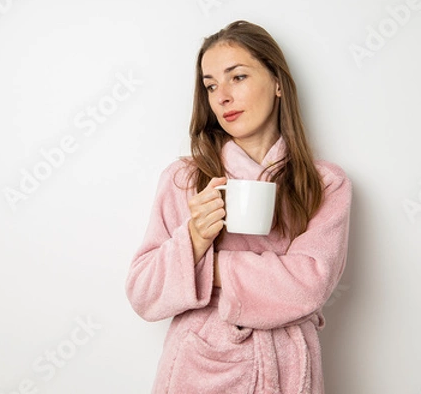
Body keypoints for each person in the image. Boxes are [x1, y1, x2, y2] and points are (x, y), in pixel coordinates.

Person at [125, 20, 352, 394]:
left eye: (238, 77)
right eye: (211, 85)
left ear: (278, 82)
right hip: (199, 370)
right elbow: (144, 295)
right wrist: (194, 238)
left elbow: (309, 285)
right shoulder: (185, 180)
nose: (222, 97)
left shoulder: (325, 184)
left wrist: (207, 266)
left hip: (288, 370)